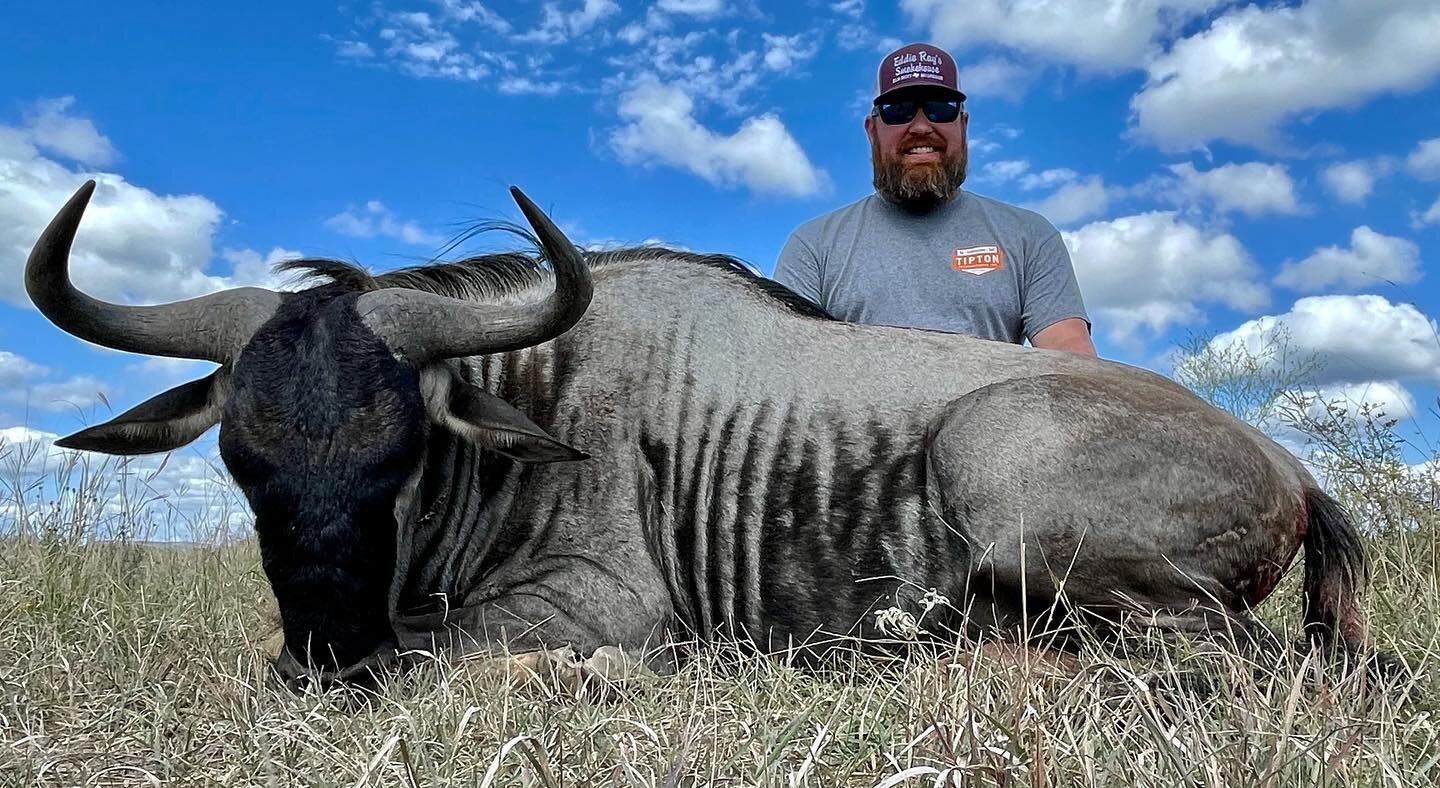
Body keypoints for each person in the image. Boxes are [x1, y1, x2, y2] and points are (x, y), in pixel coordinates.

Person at [773, 43, 1096, 356]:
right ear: (872, 130)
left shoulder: (1029, 236)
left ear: (963, 124)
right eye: (898, 110)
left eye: (941, 108)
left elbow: (1071, 361)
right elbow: (787, 365)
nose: (921, 126)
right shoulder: (813, 247)